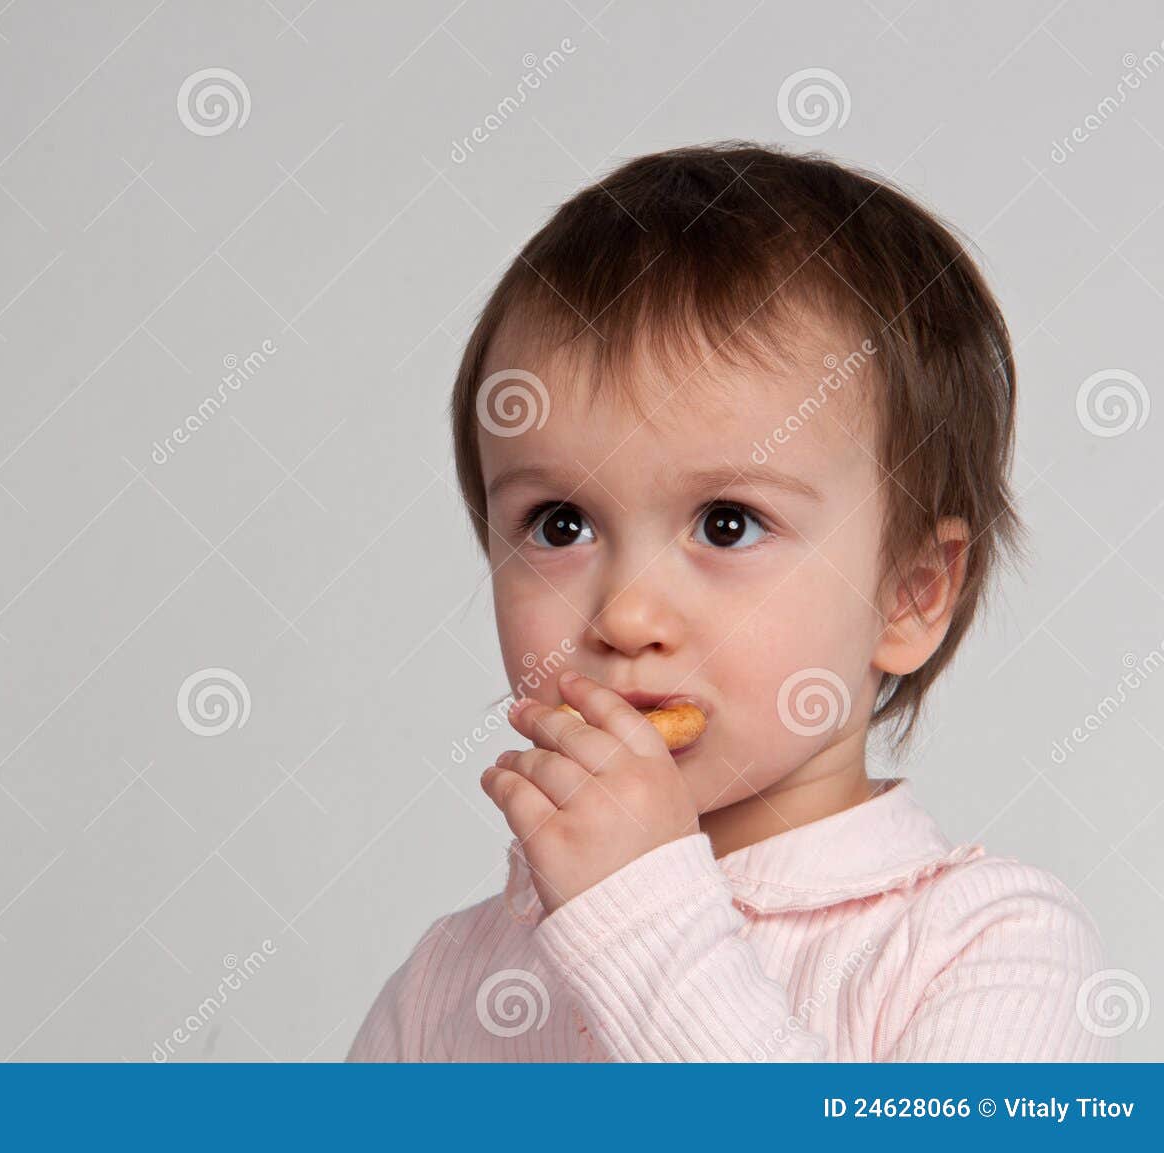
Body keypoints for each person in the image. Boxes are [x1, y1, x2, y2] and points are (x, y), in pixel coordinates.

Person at [347, 142, 1115, 1061]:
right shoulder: (445, 986)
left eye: (726, 524)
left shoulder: (987, 948)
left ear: (910, 594)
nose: (626, 617)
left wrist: (641, 918)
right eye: (559, 523)